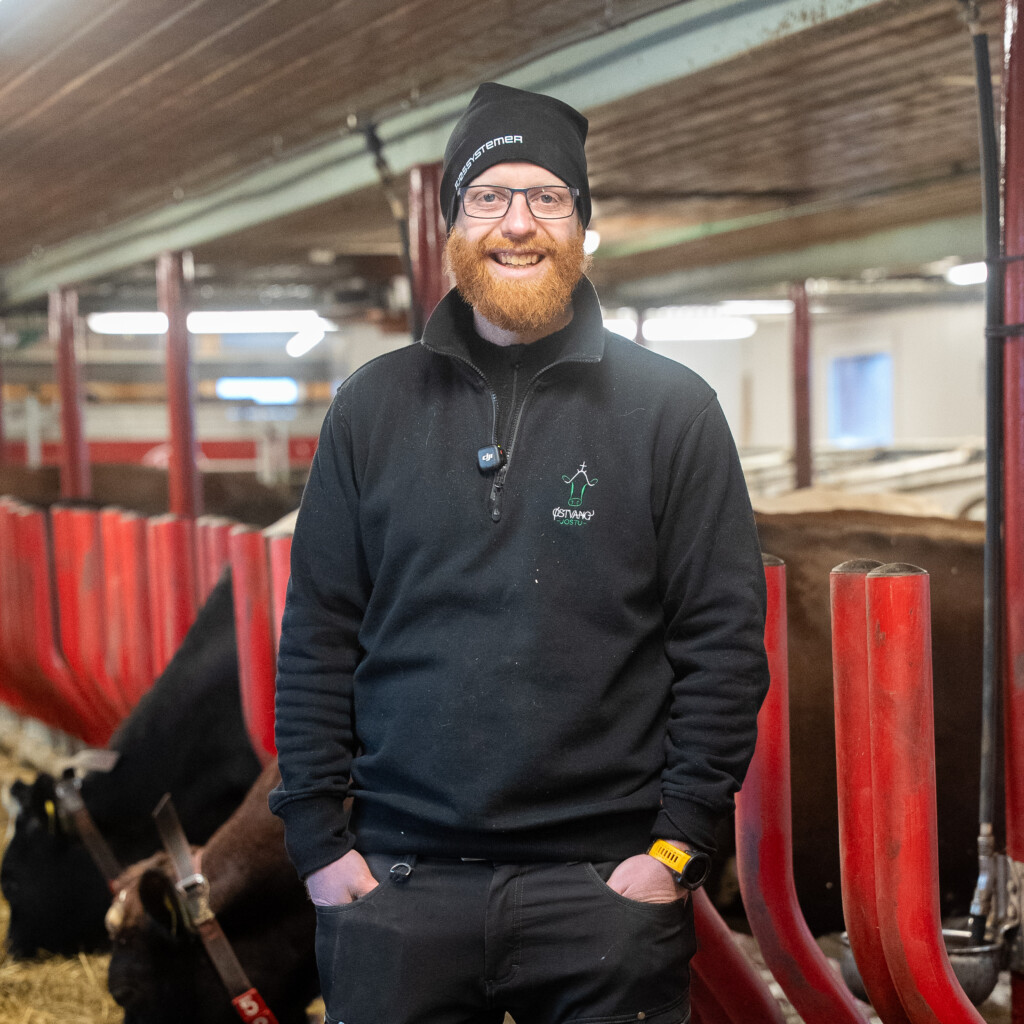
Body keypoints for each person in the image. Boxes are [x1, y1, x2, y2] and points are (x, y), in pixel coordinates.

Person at [270, 82, 769, 1024]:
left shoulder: (672, 410)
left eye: (547, 196)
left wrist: (675, 851)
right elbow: (318, 635)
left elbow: (724, 642)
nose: (518, 223)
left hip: (604, 892)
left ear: (582, 224)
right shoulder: (370, 409)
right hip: (398, 886)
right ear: (453, 225)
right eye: (489, 196)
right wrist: (320, 848)